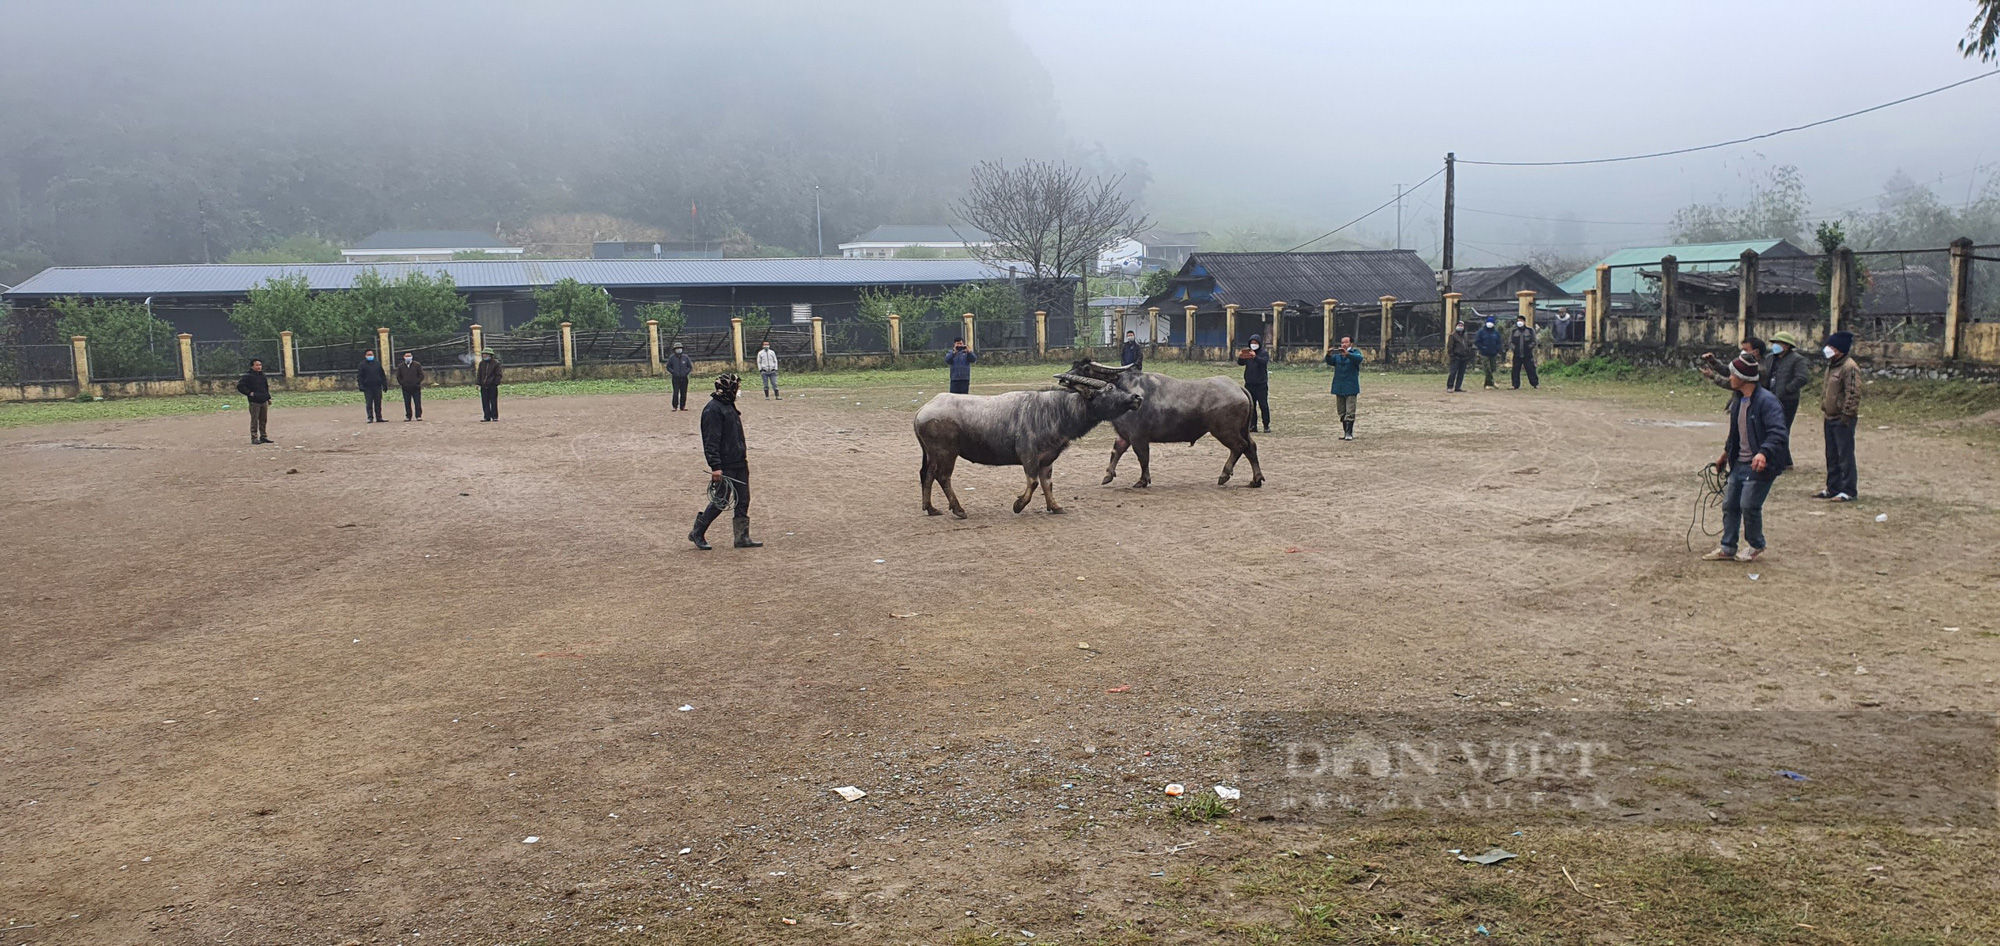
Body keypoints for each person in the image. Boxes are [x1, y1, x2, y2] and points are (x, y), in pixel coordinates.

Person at [1703, 355, 1791, 562]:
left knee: (1749, 505)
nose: (1730, 378)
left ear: (1743, 377)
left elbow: (1778, 433)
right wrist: (1724, 455)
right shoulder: (1737, 401)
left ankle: (1756, 544)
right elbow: (1735, 433)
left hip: (1761, 465)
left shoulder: (1768, 402)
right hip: (1739, 463)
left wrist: (1763, 452)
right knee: (1730, 505)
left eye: (1733, 374)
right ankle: (1727, 546)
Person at [689, 372, 760, 551]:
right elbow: (711, 440)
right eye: (736, 387)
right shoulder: (713, 410)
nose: (738, 390)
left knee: (743, 499)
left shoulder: (728, 405)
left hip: (739, 462)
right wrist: (716, 467)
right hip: (725, 464)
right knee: (721, 501)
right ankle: (698, 531)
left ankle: (742, 537)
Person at [1814, 330, 1861, 502]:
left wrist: (1846, 415)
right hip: (1829, 416)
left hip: (1842, 419)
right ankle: (1833, 487)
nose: (1828, 349)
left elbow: (1853, 393)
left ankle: (1848, 490)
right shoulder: (1832, 365)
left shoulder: (1850, 367)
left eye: (1832, 346)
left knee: (1845, 455)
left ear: (1840, 349)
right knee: (1831, 454)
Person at [1763, 331, 1810, 428]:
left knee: (1782, 428)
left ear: (1787, 346)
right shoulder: (1769, 358)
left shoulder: (1797, 359)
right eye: (1774, 343)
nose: (1775, 346)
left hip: (1787, 400)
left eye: (1778, 343)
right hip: (1768, 398)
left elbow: (1802, 378)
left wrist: (1787, 389)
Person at [1325, 336, 1364, 440]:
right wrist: (1328, 355)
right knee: (1341, 412)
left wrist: (1348, 355)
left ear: (1351, 344)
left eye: (1346, 342)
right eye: (1342, 342)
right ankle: (1345, 432)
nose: (1343, 344)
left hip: (1351, 387)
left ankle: (1349, 433)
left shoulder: (1355, 353)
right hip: (1339, 386)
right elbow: (1330, 361)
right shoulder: (1338, 356)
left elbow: (1359, 359)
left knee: (1350, 412)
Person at [1700, 337, 1768, 391]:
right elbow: (1730, 371)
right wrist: (1714, 362)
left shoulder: (1760, 369)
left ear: (1756, 352)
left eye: (1745, 350)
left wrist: (1713, 376)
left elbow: (1735, 383)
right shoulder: (1746, 364)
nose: (1743, 352)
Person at [1237, 334, 1270, 433]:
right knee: (1252, 407)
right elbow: (1241, 363)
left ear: (1259, 343)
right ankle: (1253, 425)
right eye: (1252, 343)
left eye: (1255, 343)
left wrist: (1255, 357)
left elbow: (1263, 362)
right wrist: (1241, 356)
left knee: (1263, 406)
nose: (1253, 344)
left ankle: (1266, 425)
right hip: (1249, 384)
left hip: (1261, 385)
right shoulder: (1248, 353)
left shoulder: (1264, 353)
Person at [235, 358, 273, 444]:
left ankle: (263, 436)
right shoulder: (248, 376)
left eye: (260, 365)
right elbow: (240, 386)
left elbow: (265, 387)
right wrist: (249, 393)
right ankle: (254, 437)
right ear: (252, 366)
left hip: (263, 400)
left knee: (263, 420)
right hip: (254, 401)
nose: (259, 367)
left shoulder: (262, 375)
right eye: (257, 365)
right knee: (254, 420)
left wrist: (268, 398)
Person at [1509, 316, 1539, 390]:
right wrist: (1514, 348)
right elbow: (1510, 342)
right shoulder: (1513, 331)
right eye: (1518, 320)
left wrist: (1529, 347)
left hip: (1527, 354)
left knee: (1531, 369)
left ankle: (1535, 384)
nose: (1519, 322)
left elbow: (1534, 341)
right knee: (1515, 370)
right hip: (1517, 354)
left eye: (1521, 320)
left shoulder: (1530, 330)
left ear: (1524, 321)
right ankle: (1515, 385)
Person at [358, 349, 388, 423]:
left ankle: (379, 417)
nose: (370, 356)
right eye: (368, 355)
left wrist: (384, 385)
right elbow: (360, 376)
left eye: (371, 354)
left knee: (378, 403)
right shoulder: (362, 364)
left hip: (377, 386)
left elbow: (382, 375)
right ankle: (370, 417)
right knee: (369, 403)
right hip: (367, 387)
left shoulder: (377, 363)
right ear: (365, 356)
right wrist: (361, 385)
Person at [395, 351, 425, 421]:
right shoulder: (400, 366)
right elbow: (398, 376)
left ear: (412, 357)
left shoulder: (417, 365)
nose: (408, 357)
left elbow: (421, 375)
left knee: (417, 402)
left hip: (416, 387)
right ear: (404, 357)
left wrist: (417, 382)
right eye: (406, 356)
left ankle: (418, 415)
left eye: (409, 356)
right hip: (406, 388)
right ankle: (408, 416)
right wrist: (403, 383)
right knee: (407, 402)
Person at [1474, 319, 1503, 389]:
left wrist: (1497, 349)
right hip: (1484, 353)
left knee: (1492, 368)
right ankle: (1492, 383)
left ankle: (1487, 384)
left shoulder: (1496, 332)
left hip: (1493, 353)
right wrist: (1482, 348)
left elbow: (1499, 342)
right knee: (1487, 368)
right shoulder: (1481, 332)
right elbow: (1477, 341)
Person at [1445, 321, 1472, 393]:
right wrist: (1452, 355)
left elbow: (1468, 344)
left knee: (1461, 373)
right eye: (1459, 325)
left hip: (1464, 357)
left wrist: (1468, 353)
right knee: (1453, 372)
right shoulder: (1453, 335)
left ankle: (1458, 386)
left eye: (1461, 325)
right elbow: (1450, 347)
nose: (1460, 327)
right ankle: (1450, 386)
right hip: (1456, 357)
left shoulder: (1465, 335)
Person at [666, 342, 694, 411]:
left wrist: (686, 373)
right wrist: (673, 372)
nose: (679, 350)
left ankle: (682, 406)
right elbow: (668, 367)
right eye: (677, 349)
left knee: (683, 393)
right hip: (675, 378)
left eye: (680, 348)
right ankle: (675, 406)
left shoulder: (685, 357)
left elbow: (690, 367)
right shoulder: (672, 358)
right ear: (674, 350)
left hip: (684, 378)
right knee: (675, 393)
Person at [476, 348, 502, 421]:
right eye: (483, 354)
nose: (484, 355)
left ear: (490, 355)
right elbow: (479, 374)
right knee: (485, 401)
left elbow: (499, 375)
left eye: (485, 354)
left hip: (492, 386)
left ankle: (494, 416)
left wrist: (495, 383)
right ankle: (486, 416)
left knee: (493, 401)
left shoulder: (496, 364)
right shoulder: (482, 363)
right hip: (483, 386)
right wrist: (478, 383)